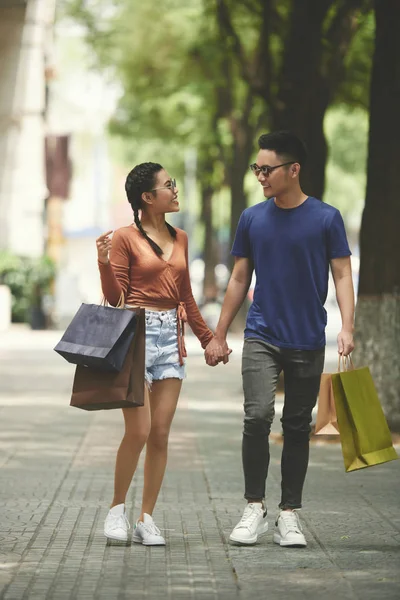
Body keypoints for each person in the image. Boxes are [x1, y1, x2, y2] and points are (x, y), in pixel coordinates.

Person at [205, 131, 355, 547]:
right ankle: (255, 506)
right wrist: (218, 333)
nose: (260, 176)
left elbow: (342, 273)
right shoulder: (252, 218)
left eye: (266, 169)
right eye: (257, 168)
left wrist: (347, 326)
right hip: (262, 336)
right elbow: (239, 277)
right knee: (256, 416)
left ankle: (289, 514)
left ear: (294, 170)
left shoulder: (327, 218)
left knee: (296, 424)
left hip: (307, 338)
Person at [97, 162, 215, 545]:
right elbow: (115, 298)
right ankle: (116, 510)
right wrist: (103, 262)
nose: (175, 190)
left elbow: (186, 297)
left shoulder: (180, 237)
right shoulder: (125, 238)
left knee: (161, 434)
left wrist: (208, 338)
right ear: (148, 198)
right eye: (169, 185)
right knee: (140, 430)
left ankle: (147, 518)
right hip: (136, 336)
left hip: (170, 340)